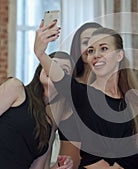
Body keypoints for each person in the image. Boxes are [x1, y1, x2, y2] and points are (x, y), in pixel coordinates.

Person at [34, 20, 138, 169]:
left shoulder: (137, 102)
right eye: (91, 51)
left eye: (104, 48)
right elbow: (60, 77)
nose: (96, 55)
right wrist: (41, 53)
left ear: (119, 55)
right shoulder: (82, 95)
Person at [0, 51, 74, 169]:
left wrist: (58, 167)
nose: (54, 71)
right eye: (52, 64)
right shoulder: (16, 88)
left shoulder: (50, 125)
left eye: (64, 70)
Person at [58, 22, 102, 169]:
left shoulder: (112, 91)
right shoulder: (66, 88)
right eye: (86, 42)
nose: (92, 47)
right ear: (77, 47)